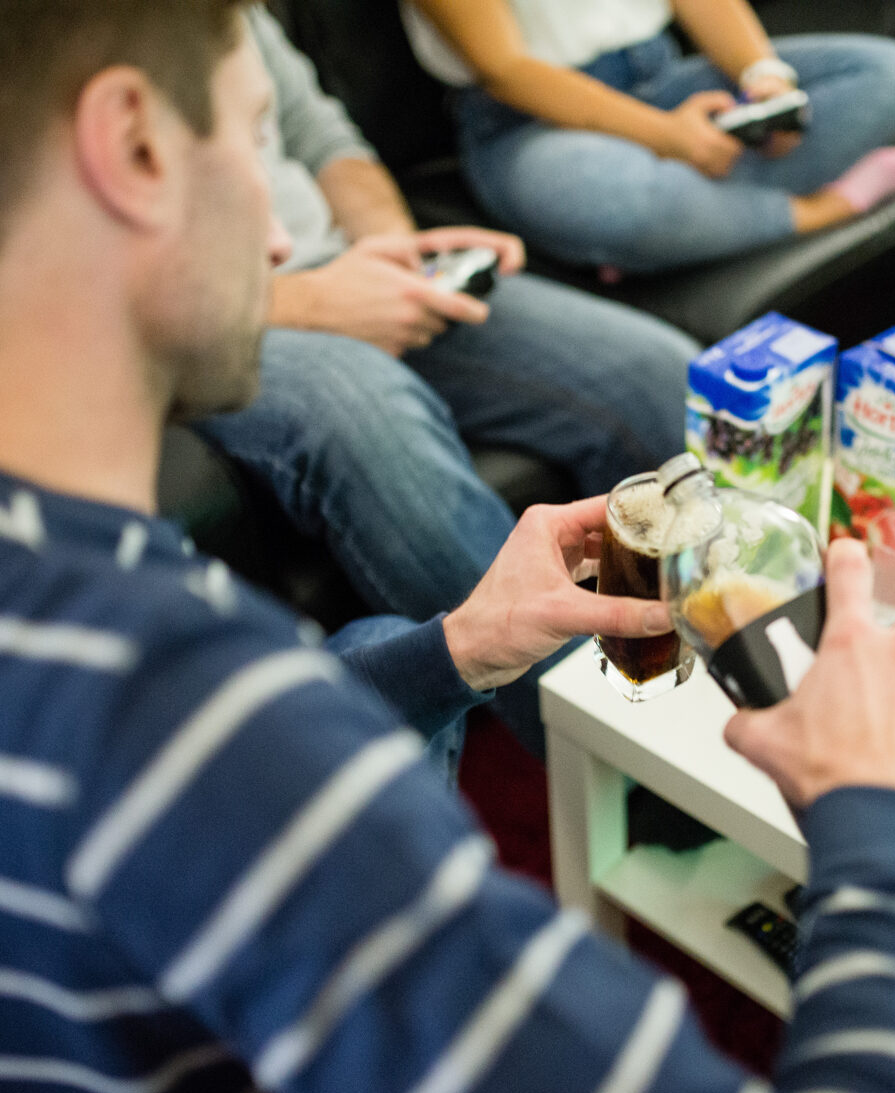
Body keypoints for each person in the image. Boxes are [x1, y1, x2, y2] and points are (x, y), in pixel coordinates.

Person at [0, 3, 895, 1093]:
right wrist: (885, 822)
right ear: (135, 145)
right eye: (250, 138)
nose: (281, 232)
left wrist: (449, 648)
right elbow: (229, 763)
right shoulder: (204, 728)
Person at [194, 8, 698, 756]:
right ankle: (625, 763)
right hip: (219, 321)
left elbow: (321, 137)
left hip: (346, 266)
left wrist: (395, 256)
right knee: (367, 411)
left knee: (657, 374)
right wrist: (304, 301)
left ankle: (719, 672)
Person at [403, 0, 895, 273]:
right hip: (533, 123)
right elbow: (505, 70)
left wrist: (765, 80)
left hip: (658, 79)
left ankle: (681, 227)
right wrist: (665, 137)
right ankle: (822, 208)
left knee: (886, 76)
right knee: (609, 192)